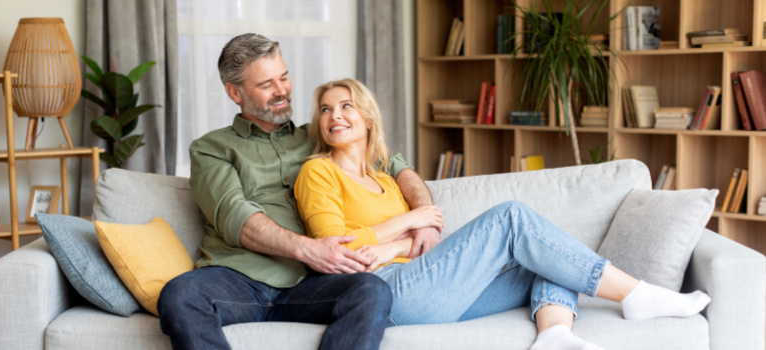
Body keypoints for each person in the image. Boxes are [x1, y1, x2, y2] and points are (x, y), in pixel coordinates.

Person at [294, 78, 712, 350]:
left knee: (549, 254)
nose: (335, 116)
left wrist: (400, 241)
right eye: (326, 110)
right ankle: (637, 294)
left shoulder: (386, 180)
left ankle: (554, 336)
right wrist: (409, 222)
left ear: (367, 118)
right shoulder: (318, 172)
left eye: (346, 106)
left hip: (429, 286)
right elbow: (339, 250)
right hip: (384, 293)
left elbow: (401, 240)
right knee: (510, 217)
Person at [157, 34, 441, 350]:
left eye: (284, 77)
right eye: (267, 84)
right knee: (180, 295)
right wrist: (308, 249)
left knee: (371, 290)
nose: (282, 91)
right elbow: (236, 216)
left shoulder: (318, 134)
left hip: (310, 285)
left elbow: (395, 165)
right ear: (234, 92)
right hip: (238, 279)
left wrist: (426, 218)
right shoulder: (211, 148)